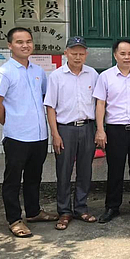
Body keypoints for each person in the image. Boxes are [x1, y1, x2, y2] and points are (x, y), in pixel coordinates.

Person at [0, 27, 58, 238]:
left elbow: (44, 98)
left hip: (39, 135)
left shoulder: (38, 72)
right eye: (19, 42)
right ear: (10, 45)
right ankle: (14, 219)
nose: (25, 45)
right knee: (13, 179)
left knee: (34, 176)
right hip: (16, 136)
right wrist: (11, 121)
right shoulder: (3, 73)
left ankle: (34, 212)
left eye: (28, 41)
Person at [93, 39, 130, 223]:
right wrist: (100, 130)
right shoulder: (105, 77)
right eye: (123, 54)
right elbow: (100, 104)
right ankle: (112, 206)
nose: (127, 57)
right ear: (115, 55)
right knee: (115, 169)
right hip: (115, 130)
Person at [44, 36, 99, 230]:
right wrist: (55, 134)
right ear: (65, 53)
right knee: (64, 170)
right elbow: (50, 107)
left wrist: (99, 129)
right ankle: (64, 210)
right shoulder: (56, 76)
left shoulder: (92, 74)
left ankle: (81, 208)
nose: (77, 57)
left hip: (87, 127)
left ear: (86, 54)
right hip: (65, 129)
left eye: (81, 54)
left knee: (85, 170)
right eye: (74, 53)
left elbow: (100, 103)